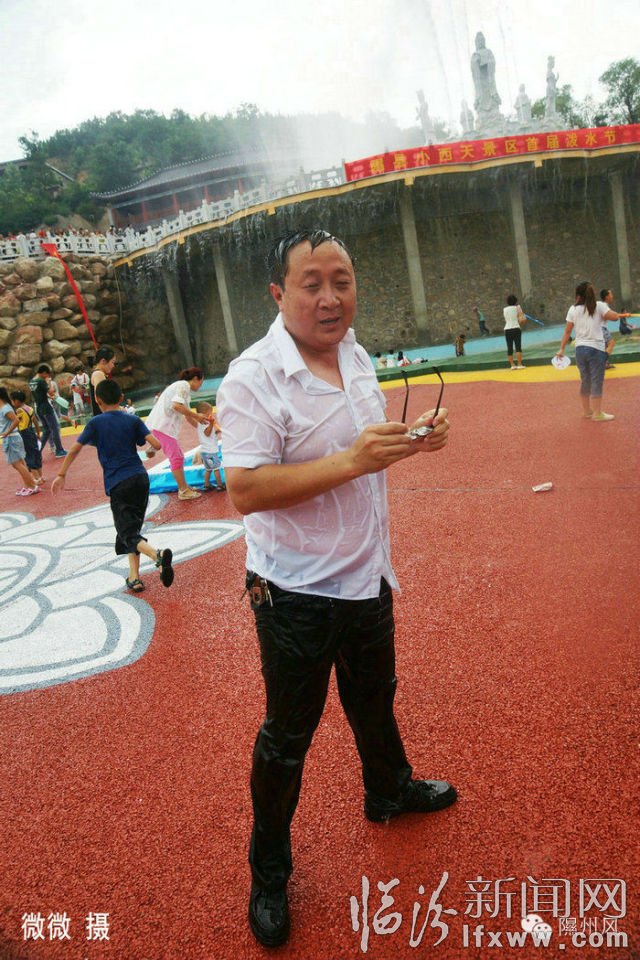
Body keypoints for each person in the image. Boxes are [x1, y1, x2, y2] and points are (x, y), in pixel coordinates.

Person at [216, 229, 457, 949]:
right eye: (312, 283)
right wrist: (355, 459)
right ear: (278, 293)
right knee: (288, 736)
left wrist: (411, 440)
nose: (330, 298)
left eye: (342, 281)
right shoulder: (252, 378)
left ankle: (388, 789)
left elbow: (362, 449)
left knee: (374, 697)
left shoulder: (355, 354)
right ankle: (269, 871)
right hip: (293, 591)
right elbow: (245, 490)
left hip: (366, 573)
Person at [52, 378, 174, 593]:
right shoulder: (132, 419)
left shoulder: (96, 423)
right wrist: (150, 451)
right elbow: (155, 444)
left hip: (119, 483)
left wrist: (61, 474)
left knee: (127, 532)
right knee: (131, 530)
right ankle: (134, 577)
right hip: (140, 479)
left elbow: (75, 449)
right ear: (121, 398)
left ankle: (158, 556)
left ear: (97, 400)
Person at [555, 281, 622, 421]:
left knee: (585, 380)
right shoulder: (599, 306)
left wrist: (561, 349)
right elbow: (615, 317)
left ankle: (587, 411)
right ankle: (597, 413)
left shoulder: (573, 309)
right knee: (597, 380)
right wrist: (616, 314)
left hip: (580, 349)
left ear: (578, 295)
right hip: (596, 349)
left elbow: (567, 331)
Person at [145, 367, 208, 501]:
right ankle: (183, 490)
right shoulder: (183, 385)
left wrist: (204, 429)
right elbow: (176, 406)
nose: (201, 385)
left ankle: (184, 486)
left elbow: (188, 416)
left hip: (161, 427)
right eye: (201, 381)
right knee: (177, 457)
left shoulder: (183, 389)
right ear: (195, 378)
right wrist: (197, 416)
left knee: (178, 456)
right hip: (163, 426)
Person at [1, 386, 39, 496]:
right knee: (19, 464)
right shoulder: (5, 408)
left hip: (11, 438)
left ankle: (32, 486)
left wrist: (7, 432)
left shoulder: (5, 408)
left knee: (17, 464)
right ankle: (29, 485)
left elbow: (16, 420)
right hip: (11, 438)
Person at [28, 364, 67, 458]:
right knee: (54, 428)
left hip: (38, 407)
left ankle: (38, 450)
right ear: (44, 373)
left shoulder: (32, 382)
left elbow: (39, 393)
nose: (48, 376)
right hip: (46, 407)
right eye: (47, 375)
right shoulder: (41, 381)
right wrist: (48, 382)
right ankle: (59, 450)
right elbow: (51, 392)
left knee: (47, 430)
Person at [10, 390, 43, 485]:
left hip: (24, 433)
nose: (12, 403)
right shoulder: (29, 408)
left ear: (17, 401)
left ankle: (37, 478)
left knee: (29, 455)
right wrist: (38, 433)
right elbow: (35, 422)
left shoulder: (19, 411)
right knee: (35, 453)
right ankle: (40, 476)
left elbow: (16, 422)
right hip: (31, 431)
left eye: (12, 400)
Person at [195, 401, 225, 491]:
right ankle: (219, 485)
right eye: (209, 413)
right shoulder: (205, 423)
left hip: (205, 451)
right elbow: (207, 433)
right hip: (210, 451)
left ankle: (206, 485)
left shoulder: (201, 423)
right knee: (216, 468)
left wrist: (216, 432)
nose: (211, 415)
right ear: (204, 414)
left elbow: (208, 434)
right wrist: (212, 423)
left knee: (208, 469)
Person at [89, 346, 116, 417]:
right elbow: (100, 399)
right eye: (112, 362)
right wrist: (117, 411)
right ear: (103, 361)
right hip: (104, 417)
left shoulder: (100, 374)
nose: (113, 366)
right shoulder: (98, 374)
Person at [503, 294, 526, 369]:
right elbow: (522, 320)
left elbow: (507, 319)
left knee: (509, 347)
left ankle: (512, 365)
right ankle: (519, 364)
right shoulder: (518, 308)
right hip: (516, 328)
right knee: (518, 347)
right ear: (515, 301)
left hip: (507, 329)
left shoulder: (504, 309)